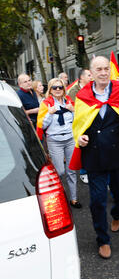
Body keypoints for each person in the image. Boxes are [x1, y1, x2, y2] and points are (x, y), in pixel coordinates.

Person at [71, 56, 119, 259]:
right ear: (91, 73)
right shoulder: (83, 95)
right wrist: (81, 138)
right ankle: (102, 239)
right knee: (97, 200)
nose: (103, 72)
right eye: (99, 69)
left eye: (106, 69)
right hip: (94, 155)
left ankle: (118, 215)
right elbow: (78, 125)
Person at [37, 77, 79, 209]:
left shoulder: (69, 101)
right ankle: (59, 197)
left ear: (63, 89)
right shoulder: (46, 103)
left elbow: (78, 120)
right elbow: (42, 125)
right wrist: (49, 114)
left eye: (60, 87)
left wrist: (73, 111)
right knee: (60, 172)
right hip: (55, 141)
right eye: (54, 87)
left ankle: (73, 199)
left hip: (70, 139)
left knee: (71, 170)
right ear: (50, 89)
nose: (57, 90)